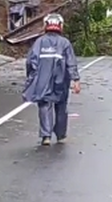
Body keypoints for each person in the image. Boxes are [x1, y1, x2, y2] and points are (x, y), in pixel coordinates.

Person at [23, 13, 80, 146]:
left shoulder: (39, 42)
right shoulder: (65, 43)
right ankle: (60, 135)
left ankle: (46, 135)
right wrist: (75, 80)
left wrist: (31, 78)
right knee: (61, 106)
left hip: (43, 81)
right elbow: (71, 62)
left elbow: (30, 62)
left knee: (44, 105)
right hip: (61, 81)